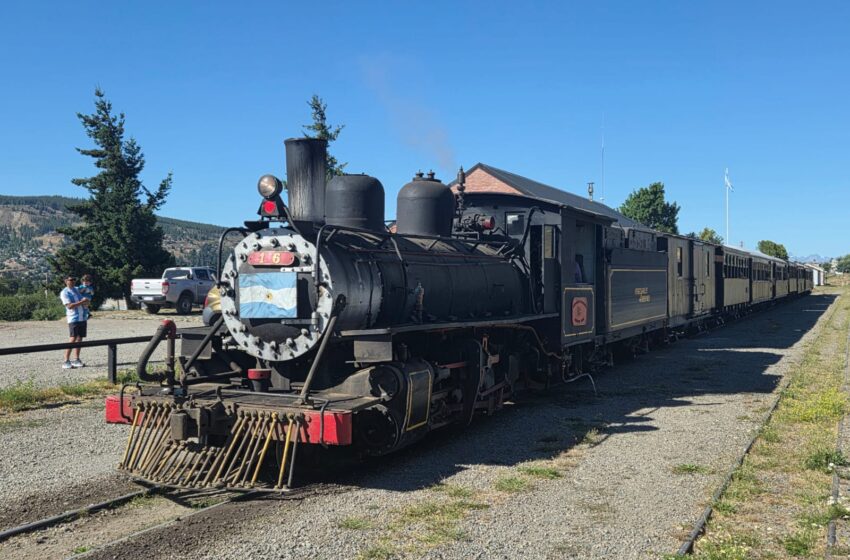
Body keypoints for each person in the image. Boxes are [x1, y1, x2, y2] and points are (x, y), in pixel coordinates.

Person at [59, 275, 88, 369]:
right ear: (66, 281)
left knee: (80, 339)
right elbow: (69, 306)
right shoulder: (64, 292)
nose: (73, 281)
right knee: (73, 338)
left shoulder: (77, 289)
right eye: (71, 280)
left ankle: (76, 359)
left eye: (74, 279)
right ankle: (66, 360)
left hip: (82, 317)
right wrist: (81, 302)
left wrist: (86, 301)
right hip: (73, 318)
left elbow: (85, 297)